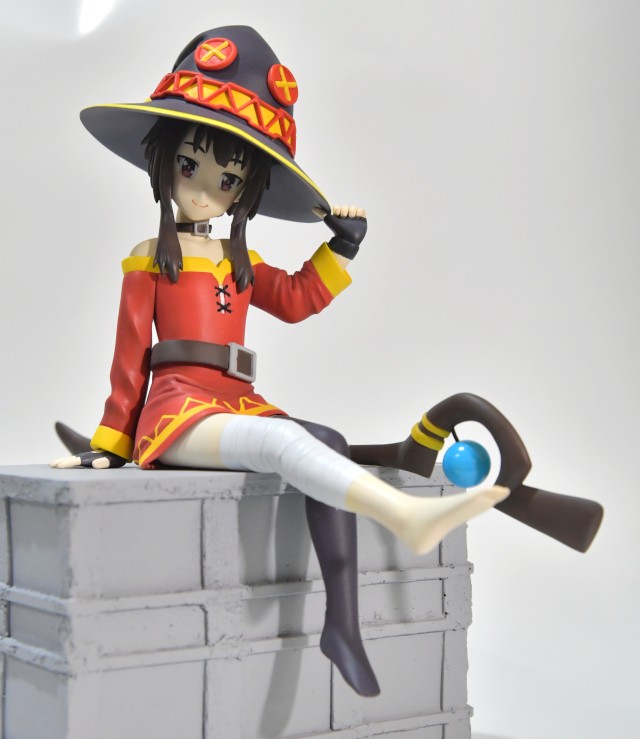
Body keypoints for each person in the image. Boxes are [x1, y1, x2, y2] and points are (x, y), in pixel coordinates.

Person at [50, 26, 509, 696]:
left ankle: (342, 624)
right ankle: (402, 516)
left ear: (247, 190)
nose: (205, 190)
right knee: (279, 443)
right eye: (190, 167)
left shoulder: (240, 261)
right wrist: (111, 440)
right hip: (176, 412)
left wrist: (341, 249)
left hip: (236, 401)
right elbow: (129, 358)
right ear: (163, 159)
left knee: (328, 440)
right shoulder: (150, 258)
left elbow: (296, 299)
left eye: (228, 179)